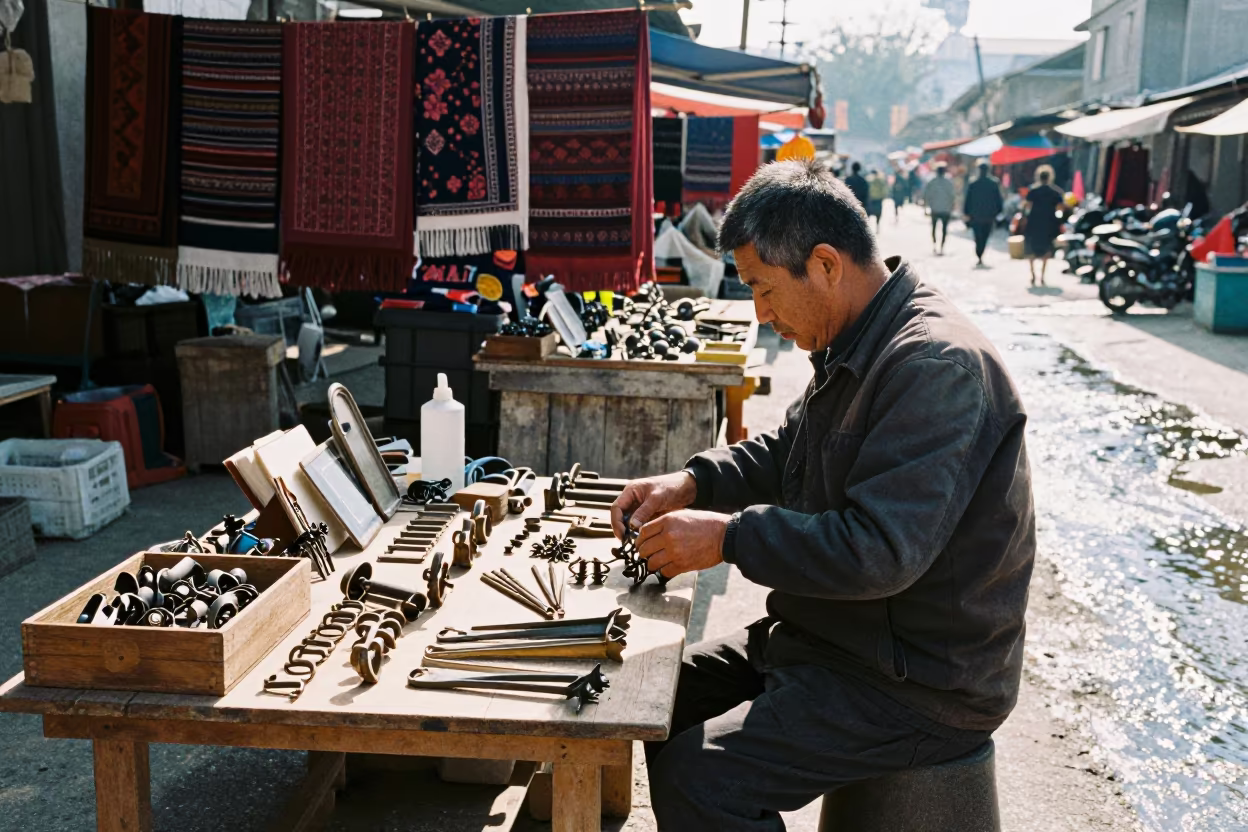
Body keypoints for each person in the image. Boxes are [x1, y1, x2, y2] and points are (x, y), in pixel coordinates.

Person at [613, 159, 1035, 829]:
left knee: (705, 778)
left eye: (763, 286)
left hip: (917, 680)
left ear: (827, 265)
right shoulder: (856, 340)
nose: (759, 311)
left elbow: (878, 552)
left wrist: (726, 537)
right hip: (832, 637)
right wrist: (695, 480)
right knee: (656, 693)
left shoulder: (935, 366)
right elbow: (790, 452)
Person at [1022, 165, 1065, 286]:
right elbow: (1061, 207)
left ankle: (1033, 275)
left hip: (1034, 222)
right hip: (1049, 223)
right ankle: (1042, 276)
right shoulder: (1055, 192)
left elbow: (1026, 206)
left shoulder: (1033, 191)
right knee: (1047, 249)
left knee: (1031, 248)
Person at [964, 162, 1004, 267]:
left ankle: (979, 253)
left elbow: (968, 200)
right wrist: (999, 212)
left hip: (976, 215)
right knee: (985, 236)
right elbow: (998, 200)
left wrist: (966, 213)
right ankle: (980, 253)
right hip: (989, 216)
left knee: (978, 236)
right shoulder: (994, 183)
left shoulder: (973, 183)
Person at [923, 163, 956, 254]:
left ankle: (934, 244)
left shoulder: (932, 181)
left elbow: (926, 196)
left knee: (934, 228)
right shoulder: (949, 182)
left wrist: (925, 208)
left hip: (935, 209)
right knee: (944, 229)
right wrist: (952, 207)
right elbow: (952, 196)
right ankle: (941, 246)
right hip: (945, 210)